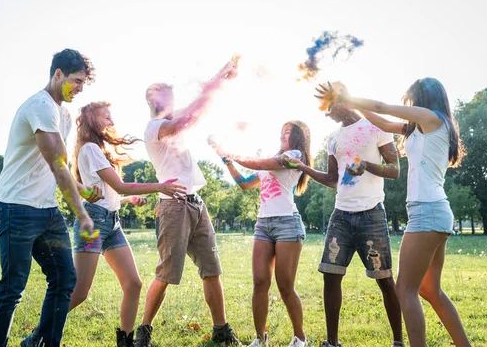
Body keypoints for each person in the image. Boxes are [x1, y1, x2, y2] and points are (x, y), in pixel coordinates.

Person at [318, 77, 470, 347]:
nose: (408, 104)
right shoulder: (424, 128)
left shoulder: (431, 117)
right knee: (429, 290)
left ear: (423, 98)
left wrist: (347, 97)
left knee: (405, 290)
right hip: (434, 212)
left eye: (411, 99)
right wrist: (353, 105)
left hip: (427, 212)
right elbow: (384, 123)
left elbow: (381, 106)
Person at [0, 49, 103, 347]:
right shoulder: (40, 106)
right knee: (12, 288)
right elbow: (57, 164)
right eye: (76, 81)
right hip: (16, 209)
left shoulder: (62, 113)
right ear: (58, 74)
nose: (79, 88)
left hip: (46, 211)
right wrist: (83, 214)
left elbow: (58, 167)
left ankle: (41, 343)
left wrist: (81, 188)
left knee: (64, 280)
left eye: (83, 84)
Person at [133, 58, 242, 347]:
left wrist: (220, 78)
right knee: (166, 273)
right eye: (167, 97)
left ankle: (221, 330)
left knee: (212, 269)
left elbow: (194, 110)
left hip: (195, 203)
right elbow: (186, 118)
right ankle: (143, 330)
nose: (173, 101)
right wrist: (216, 84)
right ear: (153, 100)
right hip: (173, 206)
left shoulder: (172, 120)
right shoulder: (154, 128)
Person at [289, 81, 403, 347]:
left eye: (332, 106)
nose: (329, 113)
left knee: (384, 279)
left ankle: (398, 342)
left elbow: (395, 169)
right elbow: (332, 179)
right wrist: (304, 167)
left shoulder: (376, 128)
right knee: (330, 276)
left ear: (345, 99)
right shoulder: (333, 138)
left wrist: (366, 165)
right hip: (341, 216)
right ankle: (332, 342)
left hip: (372, 215)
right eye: (326, 110)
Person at [68, 101, 186, 347]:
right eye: (106, 117)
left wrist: (126, 199)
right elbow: (118, 185)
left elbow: (108, 192)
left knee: (133, 284)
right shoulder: (89, 148)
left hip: (111, 223)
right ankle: (40, 334)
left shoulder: (98, 150)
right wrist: (160, 186)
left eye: (111, 117)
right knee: (80, 292)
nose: (111, 122)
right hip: (93, 223)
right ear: (92, 121)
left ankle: (126, 341)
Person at [211, 121, 312, 347]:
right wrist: (228, 163)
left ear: (299, 138)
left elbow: (257, 162)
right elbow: (246, 184)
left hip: (287, 223)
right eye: (282, 131)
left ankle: (300, 338)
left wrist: (230, 152)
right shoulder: (269, 162)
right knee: (259, 283)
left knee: (285, 286)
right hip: (263, 225)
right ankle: (260, 338)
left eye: (289, 132)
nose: (283, 135)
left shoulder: (294, 156)